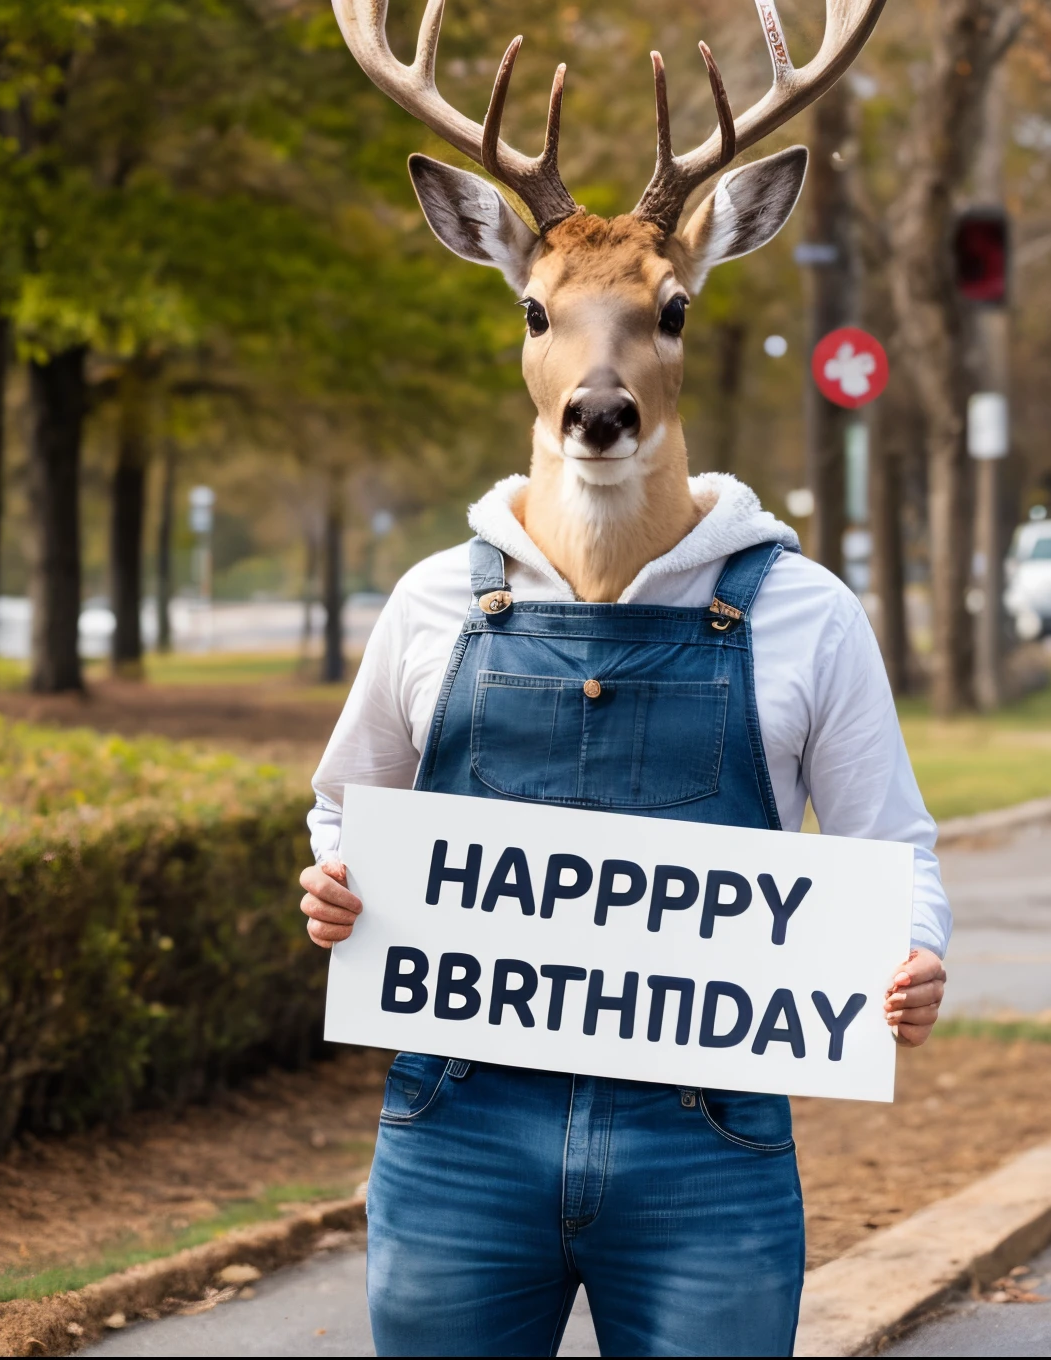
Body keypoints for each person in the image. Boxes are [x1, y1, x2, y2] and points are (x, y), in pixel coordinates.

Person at [299, 472, 949, 1356]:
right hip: (459, 1132)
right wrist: (336, 881)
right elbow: (346, 806)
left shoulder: (811, 612)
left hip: (707, 1144)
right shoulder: (432, 597)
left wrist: (912, 948)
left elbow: (893, 847)